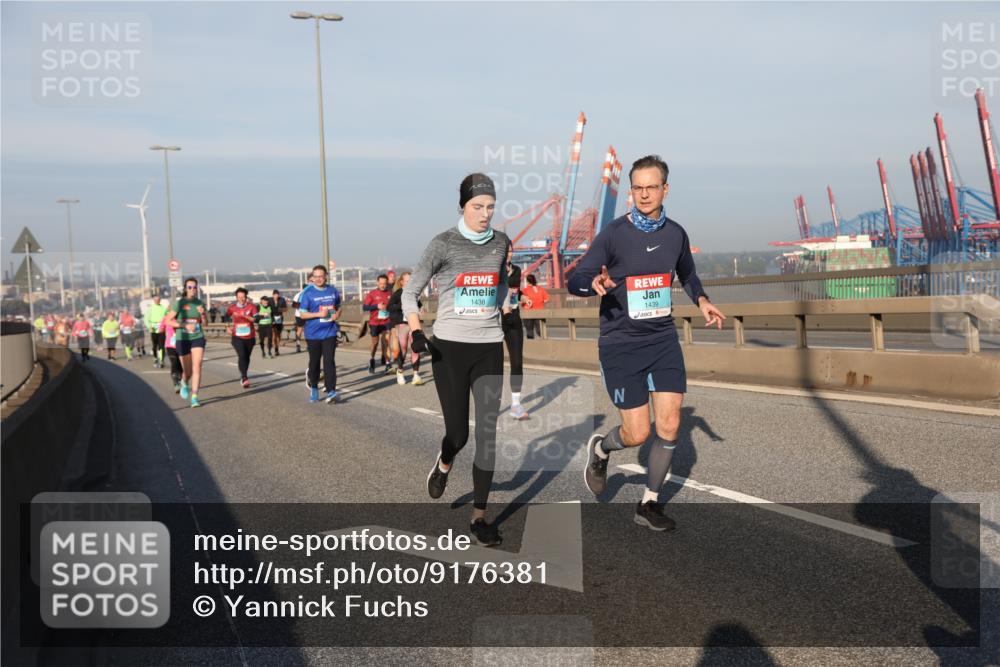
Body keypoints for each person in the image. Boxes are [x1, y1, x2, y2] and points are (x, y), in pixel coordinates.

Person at [568, 155, 726, 531]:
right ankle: (602, 449)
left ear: (664, 189)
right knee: (638, 433)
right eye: (636, 187)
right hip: (620, 342)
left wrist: (702, 300)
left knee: (669, 424)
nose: (643, 194)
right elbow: (577, 278)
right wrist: (591, 284)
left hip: (662, 339)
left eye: (650, 187)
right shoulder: (614, 233)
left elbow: (687, 274)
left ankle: (649, 504)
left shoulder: (675, 234)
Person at [403, 173, 511, 547]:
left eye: (490, 207)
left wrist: (505, 302)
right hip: (448, 348)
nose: (485, 214)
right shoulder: (443, 244)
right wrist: (417, 331)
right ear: (463, 206)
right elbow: (410, 291)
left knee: (487, 435)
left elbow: (499, 284)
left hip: (489, 346)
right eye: (477, 206)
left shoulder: (501, 243)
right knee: (459, 434)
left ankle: (480, 516)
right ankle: (445, 462)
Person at [162, 278, 208, 408]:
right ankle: (184, 381)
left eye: (194, 287)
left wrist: (203, 315)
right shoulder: (179, 303)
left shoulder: (200, 303)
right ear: (185, 289)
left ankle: (194, 397)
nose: (192, 289)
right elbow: (167, 321)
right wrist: (183, 325)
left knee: (197, 365)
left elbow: (205, 324)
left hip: (197, 337)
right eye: (190, 287)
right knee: (188, 372)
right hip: (182, 339)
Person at [298, 264, 341, 404]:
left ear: (326, 277)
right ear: (312, 278)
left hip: (330, 332)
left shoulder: (332, 290)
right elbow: (303, 315)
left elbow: (338, 307)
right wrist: (318, 314)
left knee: (329, 362)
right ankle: (314, 386)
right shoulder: (307, 293)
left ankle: (331, 391)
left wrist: (337, 315)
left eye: (321, 276)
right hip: (313, 334)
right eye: (315, 276)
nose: (318, 279)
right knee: (314, 363)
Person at [502, 246, 528, 419]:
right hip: (495, 319)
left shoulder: (517, 270)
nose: (509, 254)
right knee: (494, 364)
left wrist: (522, 297)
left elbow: (514, 291)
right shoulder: (493, 269)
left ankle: (516, 404)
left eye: (511, 251)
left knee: (517, 362)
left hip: (514, 318)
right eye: (506, 251)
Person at [387, 272, 423, 385]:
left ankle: (416, 375)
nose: (409, 283)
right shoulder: (398, 294)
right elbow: (389, 307)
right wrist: (400, 306)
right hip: (402, 324)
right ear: (402, 282)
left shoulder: (413, 294)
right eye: (407, 281)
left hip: (413, 323)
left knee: (415, 348)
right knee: (403, 349)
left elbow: (419, 304)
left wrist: (421, 309)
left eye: (410, 281)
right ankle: (400, 371)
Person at [226, 287, 257, 389]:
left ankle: (244, 374)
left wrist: (246, 316)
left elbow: (256, 319)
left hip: (250, 336)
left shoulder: (252, 307)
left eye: (243, 297)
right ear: (236, 297)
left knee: (246, 357)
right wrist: (227, 327)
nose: (241, 299)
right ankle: (244, 377)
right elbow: (226, 317)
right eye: (239, 297)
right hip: (237, 336)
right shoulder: (232, 308)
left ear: (246, 297)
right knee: (242, 355)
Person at [363, 274, 393, 374]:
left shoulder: (390, 294)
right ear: (377, 283)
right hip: (374, 322)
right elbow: (365, 307)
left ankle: (388, 363)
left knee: (386, 342)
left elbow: (394, 306)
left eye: (384, 284)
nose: (383, 285)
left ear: (387, 283)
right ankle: (372, 359)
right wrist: (377, 306)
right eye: (381, 283)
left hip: (386, 321)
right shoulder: (372, 293)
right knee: (375, 343)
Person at [521, 273, 549, 339]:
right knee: (540, 331)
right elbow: (546, 300)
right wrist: (539, 302)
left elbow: (521, 300)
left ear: (527, 281)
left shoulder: (524, 290)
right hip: (540, 312)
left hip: (528, 312)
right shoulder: (541, 289)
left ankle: (532, 346)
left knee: (529, 331)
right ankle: (545, 344)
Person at [145, 292, 168, 368]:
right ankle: (155, 358)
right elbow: (146, 319)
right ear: (153, 300)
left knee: (161, 346)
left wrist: (165, 327)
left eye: (158, 299)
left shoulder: (163, 308)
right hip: (153, 328)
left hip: (161, 329)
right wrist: (149, 327)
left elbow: (168, 318)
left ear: (160, 300)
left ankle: (161, 360)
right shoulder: (151, 308)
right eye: (155, 300)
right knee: (155, 346)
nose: (157, 301)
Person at [160, 318, 183, 393]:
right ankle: (176, 382)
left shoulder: (182, 316)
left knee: (180, 365)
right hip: (170, 345)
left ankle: (180, 380)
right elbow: (161, 329)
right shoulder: (166, 318)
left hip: (182, 344)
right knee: (174, 363)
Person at [292, 280, 312, 354]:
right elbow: (294, 305)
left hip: (307, 315)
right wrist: (303, 306)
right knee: (300, 329)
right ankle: (298, 344)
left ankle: (307, 345)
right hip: (299, 315)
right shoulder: (299, 295)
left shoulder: (308, 294)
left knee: (306, 329)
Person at [271, 289, 287, 356]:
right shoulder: (269, 300)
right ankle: (275, 349)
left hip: (279, 318)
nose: (276, 296)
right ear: (273, 295)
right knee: (274, 333)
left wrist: (279, 309)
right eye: (275, 295)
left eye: (277, 295)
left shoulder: (282, 300)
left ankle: (277, 346)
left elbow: (285, 309)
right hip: (272, 318)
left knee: (278, 334)